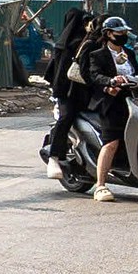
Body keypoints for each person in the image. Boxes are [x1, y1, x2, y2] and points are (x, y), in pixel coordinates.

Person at [81, 16, 138, 202]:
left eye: (125, 33)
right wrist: (111, 81)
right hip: (111, 102)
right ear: (108, 34)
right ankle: (100, 185)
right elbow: (95, 75)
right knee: (112, 142)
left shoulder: (128, 53)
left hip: (133, 101)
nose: (123, 36)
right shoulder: (98, 55)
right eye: (119, 33)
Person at [41, 9, 92, 178]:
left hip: (86, 91)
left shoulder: (88, 43)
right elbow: (57, 74)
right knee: (66, 117)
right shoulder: (67, 45)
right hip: (67, 93)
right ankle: (54, 157)